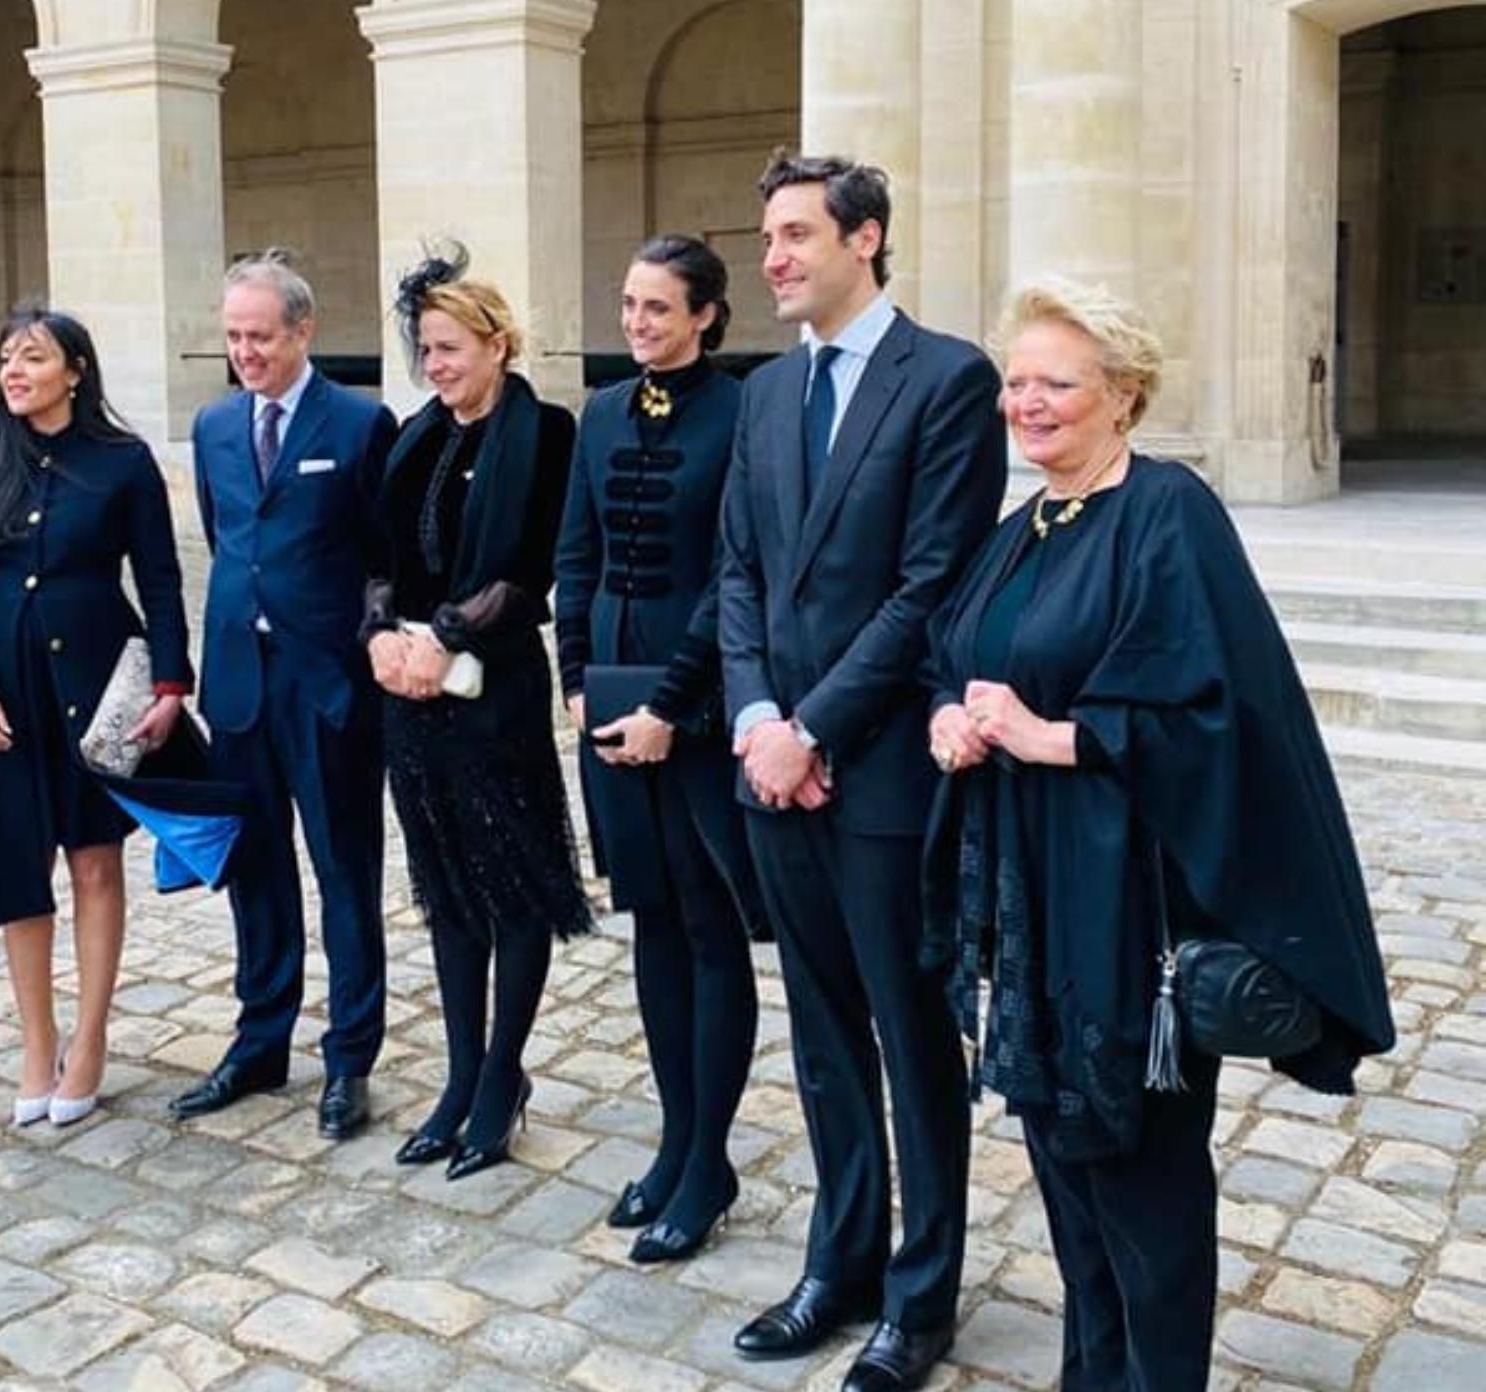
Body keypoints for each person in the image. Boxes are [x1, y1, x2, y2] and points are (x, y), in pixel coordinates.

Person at [920, 279, 1394, 1392]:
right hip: (1033, 906)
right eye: (1015, 381)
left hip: (1129, 914)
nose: (1025, 404)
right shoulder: (1019, 528)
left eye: (1056, 384)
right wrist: (951, 713)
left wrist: (1056, 739)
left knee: (1144, 1196)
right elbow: (956, 653)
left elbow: (1218, 709)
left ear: (1122, 397)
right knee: (1067, 1185)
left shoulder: (1166, 511)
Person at [719, 152, 1007, 1388]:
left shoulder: (945, 381)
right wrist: (753, 721)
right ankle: (836, 1264)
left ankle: (920, 1296)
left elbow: (927, 587)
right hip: (775, 769)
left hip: (881, 778)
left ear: (865, 238)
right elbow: (733, 572)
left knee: (907, 1035)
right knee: (825, 1037)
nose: (773, 255)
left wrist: (815, 732)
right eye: (768, 235)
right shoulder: (767, 392)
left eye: (794, 234)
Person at [554, 235, 766, 1263]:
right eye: (627, 304)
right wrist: (574, 677)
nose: (636, 323)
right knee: (647, 919)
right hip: (608, 698)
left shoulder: (741, 414)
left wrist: (674, 708)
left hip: (699, 706)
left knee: (706, 921)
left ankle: (710, 1158)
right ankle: (675, 1140)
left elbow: (735, 575)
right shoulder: (598, 412)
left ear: (705, 316)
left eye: (655, 308)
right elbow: (574, 552)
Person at [362, 247, 592, 1180]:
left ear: (498, 343)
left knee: (512, 885)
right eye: (426, 350)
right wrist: (382, 631)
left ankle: (503, 1077)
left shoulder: (545, 435)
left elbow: (534, 570)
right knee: (447, 888)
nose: (437, 366)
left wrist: (446, 633)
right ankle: (458, 1077)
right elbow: (380, 553)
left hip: (492, 690)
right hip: (413, 698)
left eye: (451, 347)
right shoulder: (418, 435)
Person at [0, 306, 191, 1128]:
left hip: (94, 687)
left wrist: (169, 685)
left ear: (75, 371)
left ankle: (89, 1037)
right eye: (6, 357)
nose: (14, 371)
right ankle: (34, 1038)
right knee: (20, 868)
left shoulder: (122, 462)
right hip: (4, 697)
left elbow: (159, 579)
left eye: (33, 358)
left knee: (93, 860)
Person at [169, 253, 398, 1139]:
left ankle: (350, 1058)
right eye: (233, 337)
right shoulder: (215, 427)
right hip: (239, 687)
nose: (245, 353)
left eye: (260, 336)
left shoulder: (359, 421)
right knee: (254, 875)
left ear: (303, 330)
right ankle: (261, 1042)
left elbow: (383, 555)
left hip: (327, 688)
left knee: (345, 874)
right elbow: (228, 535)